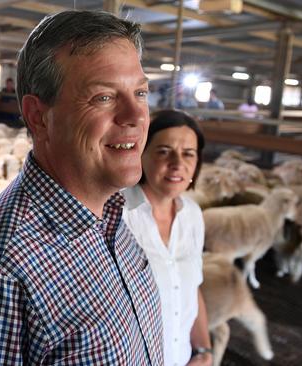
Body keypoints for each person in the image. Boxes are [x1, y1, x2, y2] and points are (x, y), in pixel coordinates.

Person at [0, 10, 163, 365]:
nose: (136, 115)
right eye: (103, 97)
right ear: (39, 116)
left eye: (140, 92)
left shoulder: (112, 221)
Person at [122, 109, 212, 366]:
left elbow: (191, 288)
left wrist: (203, 350)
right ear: (141, 154)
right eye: (163, 151)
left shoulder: (192, 215)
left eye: (188, 154)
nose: (177, 163)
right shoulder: (118, 216)